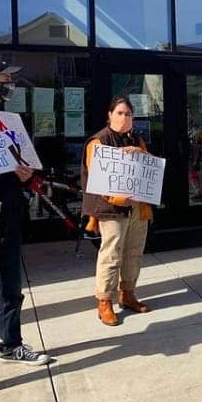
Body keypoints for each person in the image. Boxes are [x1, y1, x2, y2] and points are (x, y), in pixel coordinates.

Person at [0, 58, 51, 366]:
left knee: (10, 283)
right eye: (3, 76)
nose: (8, 82)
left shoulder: (7, 121)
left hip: (7, 215)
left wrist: (27, 175)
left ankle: (11, 343)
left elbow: (24, 168)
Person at [81, 96, 153, 326]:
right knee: (111, 255)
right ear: (109, 115)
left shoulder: (137, 140)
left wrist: (142, 155)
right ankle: (104, 301)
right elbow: (97, 178)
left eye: (129, 114)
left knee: (134, 252)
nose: (125, 117)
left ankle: (128, 293)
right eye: (120, 113)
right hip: (110, 209)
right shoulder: (99, 141)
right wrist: (116, 199)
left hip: (137, 207)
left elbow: (150, 168)